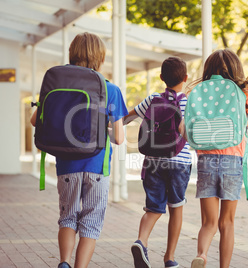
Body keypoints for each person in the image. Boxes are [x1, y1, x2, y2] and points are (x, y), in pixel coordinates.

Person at [30, 32, 128, 268]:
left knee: (68, 217)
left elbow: (35, 121)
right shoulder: (109, 89)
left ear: (72, 54)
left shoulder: (58, 83)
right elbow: (119, 139)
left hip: (66, 166)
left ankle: (64, 262)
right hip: (97, 167)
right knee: (91, 222)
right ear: (100, 58)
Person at [188, 49, 248, 268]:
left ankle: (201, 254)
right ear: (236, 69)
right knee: (226, 223)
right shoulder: (242, 92)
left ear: (208, 70)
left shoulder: (200, 92)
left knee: (208, 223)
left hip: (206, 161)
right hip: (232, 162)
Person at [124, 56, 192, 268]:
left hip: (152, 162)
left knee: (153, 209)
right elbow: (190, 133)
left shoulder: (152, 99)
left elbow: (126, 118)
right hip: (178, 162)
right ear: (186, 78)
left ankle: (141, 241)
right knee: (176, 208)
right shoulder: (188, 102)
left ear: (161, 77)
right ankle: (169, 258)